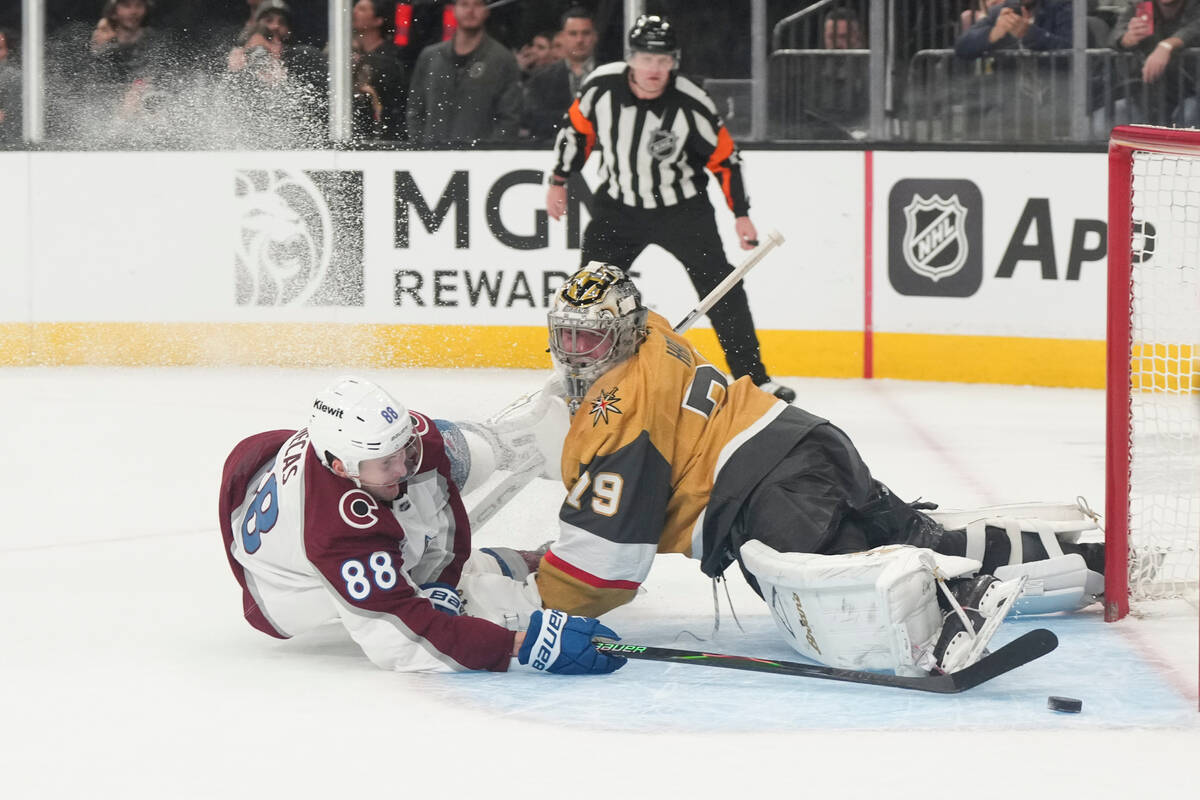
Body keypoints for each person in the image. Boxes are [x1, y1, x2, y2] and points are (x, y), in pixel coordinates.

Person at [520, 263, 1106, 676]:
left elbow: (607, 569)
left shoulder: (622, 411)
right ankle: (1088, 561)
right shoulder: (655, 329)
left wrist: (526, 604)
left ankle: (956, 604)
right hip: (804, 439)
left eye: (589, 339)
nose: (573, 351)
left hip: (766, 494)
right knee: (911, 537)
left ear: (621, 334)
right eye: (566, 335)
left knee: (848, 589)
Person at [218, 375, 626, 675]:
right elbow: (403, 641)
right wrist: (521, 645)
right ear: (341, 466)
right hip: (284, 588)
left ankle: (515, 439)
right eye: (387, 461)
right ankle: (512, 587)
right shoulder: (337, 535)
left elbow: (439, 504)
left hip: (289, 483)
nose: (405, 466)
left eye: (405, 448)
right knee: (455, 596)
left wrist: (441, 582)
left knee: (450, 450)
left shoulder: (399, 444)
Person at [545, 14, 795, 403]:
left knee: (724, 290)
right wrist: (558, 181)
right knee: (588, 297)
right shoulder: (601, 87)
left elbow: (726, 159)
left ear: (674, 61)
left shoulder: (690, 102)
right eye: (646, 59)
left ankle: (755, 379)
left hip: (683, 210)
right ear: (631, 58)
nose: (654, 69)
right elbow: (575, 133)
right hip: (618, 209)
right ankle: (580, 378)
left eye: (663, 60)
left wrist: (740, 214)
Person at [406, 0, 523, 144]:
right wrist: (421, 147)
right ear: (453, 9)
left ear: (487, 11)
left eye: (478, 4)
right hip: (433, 156)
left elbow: (509, 118)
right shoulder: (430, 57)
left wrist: (491, 153)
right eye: (464, 4)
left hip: (480, 159)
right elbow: (415, 110)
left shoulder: (502, 59)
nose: (470, 10)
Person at [1108, 0, 1200, 126]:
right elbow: (1115, 35)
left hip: (1191, 89)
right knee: (1107, 120)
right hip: (1148, 92)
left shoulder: (1195, 5)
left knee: (1188, 119)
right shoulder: (1139, 5)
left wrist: (1168, 45)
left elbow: (1195, 28)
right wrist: (1126, 38)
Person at [524, 6, 598, 141]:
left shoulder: (611, 74)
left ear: (595, 36)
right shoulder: (541, 79)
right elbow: (536, 121)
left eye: (585, 33)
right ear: (562, 37)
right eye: (573, 34)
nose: (580, 40)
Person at [351, 0, 410, 141]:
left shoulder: (391, 59)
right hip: (355, 130)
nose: (354, 12)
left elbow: (396, 105)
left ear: (378, 20)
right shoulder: (346, 53)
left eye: (363, 9)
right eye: (355, 8)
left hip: (383, 134)